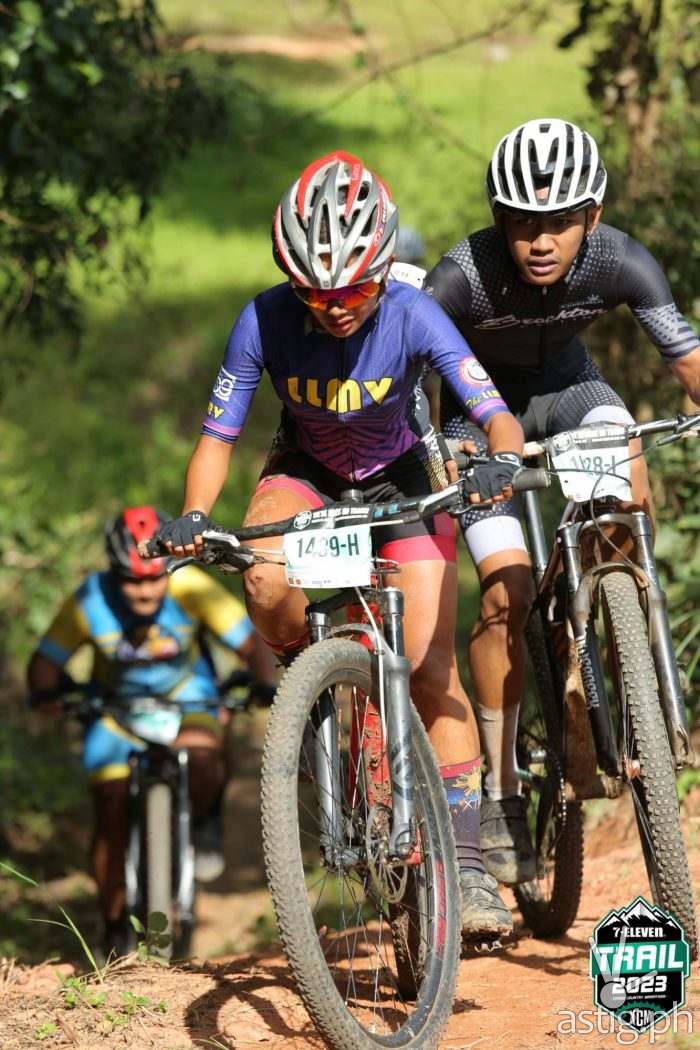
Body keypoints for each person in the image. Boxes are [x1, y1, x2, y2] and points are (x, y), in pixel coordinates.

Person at [155, 150, 525, 944]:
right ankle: (308, 679)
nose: (335, 309)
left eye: (354, 290)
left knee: (429, 665)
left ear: (384, 271)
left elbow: (493, 411)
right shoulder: (261, 320)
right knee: (263, 578)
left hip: (403, 480)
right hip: (308, 473)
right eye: (315, 292)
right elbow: (218, 436)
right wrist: (193, 515)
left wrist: (500, 458)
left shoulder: (414, 313)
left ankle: (464, 866)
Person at [423, 117, 700, 886]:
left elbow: (685, 357)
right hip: (477, 418)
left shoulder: (620, 259)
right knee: (505, 595)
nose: (541, 241)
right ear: (498, 219)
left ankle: (628, 650)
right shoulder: (461, 276)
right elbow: (414, 382)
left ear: (593, 216)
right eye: (522, 223)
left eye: (561, 222)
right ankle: (503, 790)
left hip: (573, 393)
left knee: (626, 477)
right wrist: (441, 451)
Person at [27, 505, 276, 957]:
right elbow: (45, 663)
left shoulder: (192, 588)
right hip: (116, 710)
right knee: (110, 808)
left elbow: (250, 644)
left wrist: (262, 683)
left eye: (154, 580)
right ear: (114, 573)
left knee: (202, 754)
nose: (145, 592)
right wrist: (46, 693)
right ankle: (112, 925)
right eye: (132, 581)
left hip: (188, 699)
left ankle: (203, 819)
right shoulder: (90, 600)